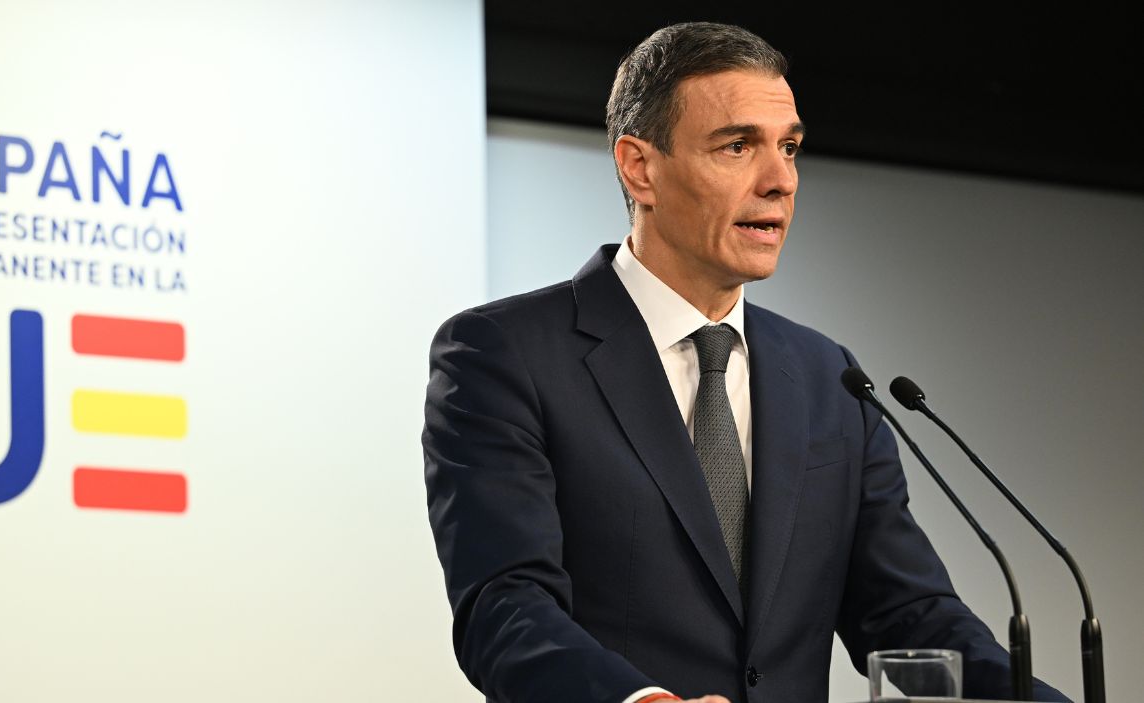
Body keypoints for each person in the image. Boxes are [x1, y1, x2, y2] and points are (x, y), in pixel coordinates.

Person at [423, 22, 1068, 703]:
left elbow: (910, 613)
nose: (780, 180)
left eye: (790, 148)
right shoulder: (504, 354)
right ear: (640, 167)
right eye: (738, 146)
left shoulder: (831, 380)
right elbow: (506, 606)